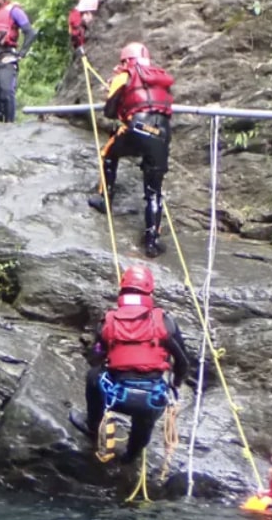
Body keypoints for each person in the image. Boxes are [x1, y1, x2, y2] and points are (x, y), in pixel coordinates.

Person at [71, 264, 193, 463]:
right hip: (150, 401)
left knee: (93, 376)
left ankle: (94, 427)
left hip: (114, 396)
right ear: (149, 291)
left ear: (122, 289)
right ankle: (131, 455)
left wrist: (109, 354)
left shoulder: (109, 320)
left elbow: (96, 354)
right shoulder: (164, 321)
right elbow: (182, 362)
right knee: (148, 410)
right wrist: (175, 383)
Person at [88, 42, 175, 258]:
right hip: (162, 133)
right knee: (154, 192)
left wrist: (112, 91)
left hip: (138, 127)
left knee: (108, 153)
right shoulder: (160, 78)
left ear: (126, 60)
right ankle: (152, 242)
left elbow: (109, 111)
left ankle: (104, 199)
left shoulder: (124, 75)